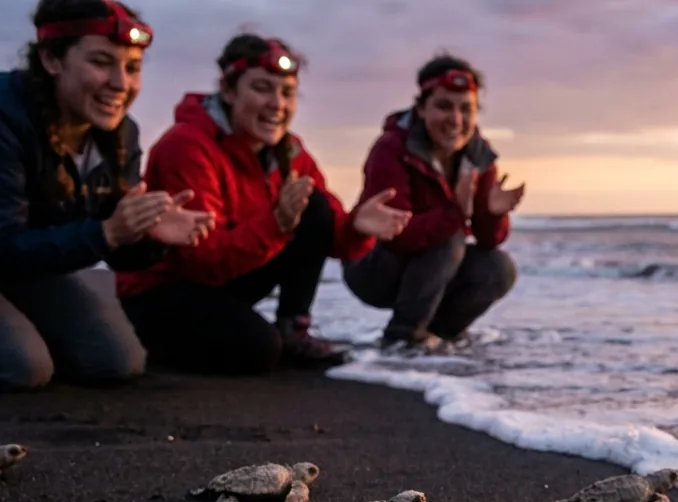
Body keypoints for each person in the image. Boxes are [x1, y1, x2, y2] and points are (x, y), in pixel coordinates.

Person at [116, 34, 411, 374]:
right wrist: (277, 224)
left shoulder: (291, 152)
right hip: (164, 288)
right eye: (261, 88)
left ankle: (294, 327)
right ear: (228, 91)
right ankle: (152, 345)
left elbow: (328, 233)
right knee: (256, 351)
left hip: (226, 281)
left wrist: (357, 228)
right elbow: (202, 262)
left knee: (312, 203)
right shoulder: (186, 146)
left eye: (287, 93)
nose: (277, 104)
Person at [0, 0, 213, 390]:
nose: (120, 83)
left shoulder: (120, 134)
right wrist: (107, 234)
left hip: (26, 268)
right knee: (24, 367)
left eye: (132, 68)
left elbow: (115, 248)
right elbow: (6, 243)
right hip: (9, 255)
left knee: (115, 360)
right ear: (51, 59)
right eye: (101, 62)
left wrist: (147, 236)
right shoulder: (7, 118)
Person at [344, 54, 524, 354]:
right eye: (444, 106)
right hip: (373, 265)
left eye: (466, 109)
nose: (456, 120)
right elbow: (397, 235)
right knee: (450, 238)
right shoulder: (391, 148)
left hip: (430, 269)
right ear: (421, 108)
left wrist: (493, 215)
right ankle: (403, 336)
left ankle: (436, 337)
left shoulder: (478, 155)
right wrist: (454, 213)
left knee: (498, 268)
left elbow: (489, 239)